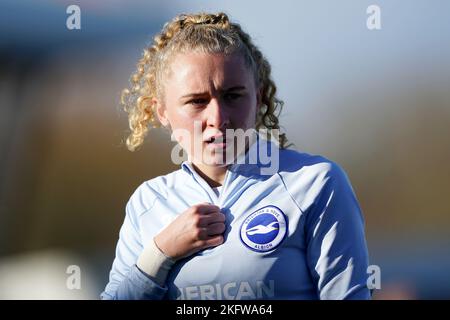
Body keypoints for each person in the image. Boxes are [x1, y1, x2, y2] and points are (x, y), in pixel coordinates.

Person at [101, 12, 371, 300]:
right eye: (197, 101)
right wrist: (159, 254)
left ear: (259, 98)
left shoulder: (315, 183)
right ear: (162, 112)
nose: (217, 118)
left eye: (233, 96)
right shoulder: (147, 203)